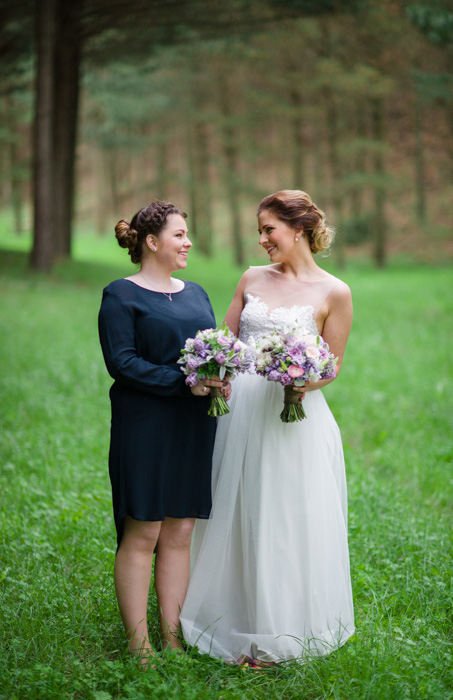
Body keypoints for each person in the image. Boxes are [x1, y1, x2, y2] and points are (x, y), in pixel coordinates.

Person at [180, 190, 355, 665]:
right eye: (259, 231)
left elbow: (331, 366)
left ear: (298, 230)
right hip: (238, 415)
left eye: (268, 230)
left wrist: (301, 383)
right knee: (235, 511)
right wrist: (214, 370)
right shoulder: (251, 278)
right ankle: (230, 618)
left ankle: (280, 635)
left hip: (292, 419)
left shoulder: (334, 292)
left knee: (284, 520)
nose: (261, 240)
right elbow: (226, 341)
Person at [98, 200, 228, 663]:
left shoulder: (196, 293)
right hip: (145, 424)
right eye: (179, 235)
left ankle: (173, 639)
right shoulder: (121, 295)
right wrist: (184, 382)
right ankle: (141, 646)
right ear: (152, 242)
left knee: (180, 528)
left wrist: (219, 375)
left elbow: (212, 348)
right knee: (144, 529)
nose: (188, 241)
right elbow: (122, 362)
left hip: (194, 425)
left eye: (187, 234)